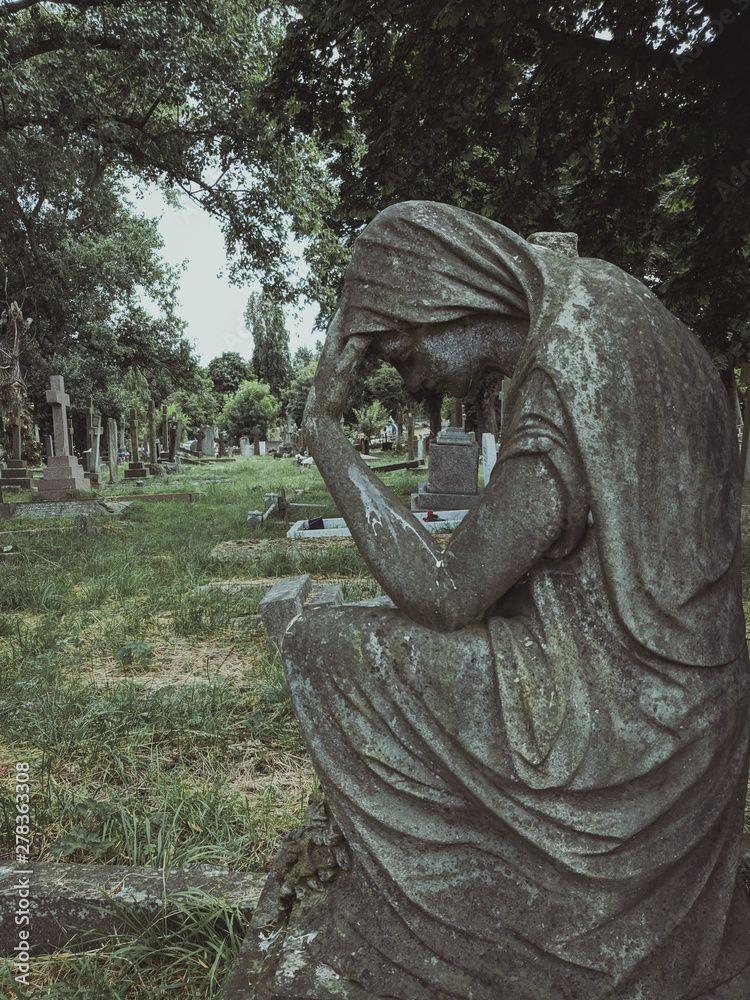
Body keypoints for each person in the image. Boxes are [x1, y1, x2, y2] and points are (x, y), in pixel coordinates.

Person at [281, 201, 750, 999]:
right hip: (693, 705)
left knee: (322, 649)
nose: (413, 380)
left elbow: (446, 594)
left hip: (624, 729)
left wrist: (325, 429)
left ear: (443, 299)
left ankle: (457, 908)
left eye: (402, 352)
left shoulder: (561, 381)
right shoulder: (608, 304)